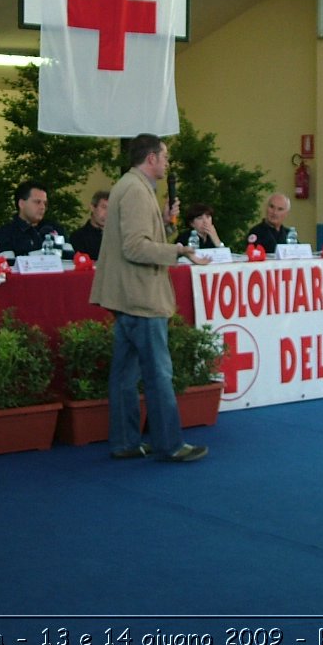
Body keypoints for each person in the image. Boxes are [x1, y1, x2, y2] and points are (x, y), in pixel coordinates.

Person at [91, 133, 208, 463]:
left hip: (128, 295)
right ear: (152, 158)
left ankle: (126, 441)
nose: (168, 163)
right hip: (141, 295)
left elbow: (139, 240)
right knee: (158, 374)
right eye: (165, 157)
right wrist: (181, 250)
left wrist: (167, 225)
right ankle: (170, 444)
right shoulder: (137, 192)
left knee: (126, 375)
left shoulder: (130, 187)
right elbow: (136, 247)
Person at [0, 182, 70, 257]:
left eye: (45, 203)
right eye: (37, 202)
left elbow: (70, 259)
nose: (42, 207)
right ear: (22, 204)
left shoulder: (55, 229)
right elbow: (1, 266)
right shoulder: (4, 235)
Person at [69, 190, 109, 259]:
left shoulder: (117, 237)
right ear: (92, 207)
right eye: (104, 207)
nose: (107, 213)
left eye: (110, 209)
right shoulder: (78, 237)